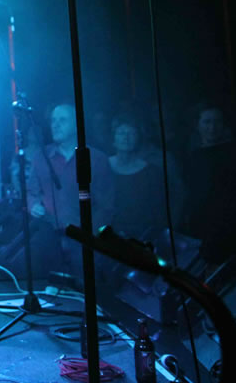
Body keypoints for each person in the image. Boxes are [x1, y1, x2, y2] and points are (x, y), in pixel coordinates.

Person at [26, 103, 116, 275]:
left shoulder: (96, 159)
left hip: (84, 242)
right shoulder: (41, 157)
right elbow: (31, 191)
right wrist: (33, 205)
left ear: (77, 125)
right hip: (48, 238)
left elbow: (106, 205)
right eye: (53, 120)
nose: (55, 125)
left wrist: (88, 235)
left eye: (62, 120)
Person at [181, 103, 236, 265]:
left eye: (217, 121)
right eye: (207, 122)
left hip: (230, 226)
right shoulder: (194, 157)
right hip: (200, 227)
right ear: (197, 125)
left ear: (223, 124)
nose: (212, 127)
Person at [107, 115, 165, 238]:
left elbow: (157, 209)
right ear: (113, 138)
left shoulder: (152, 172)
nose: (126, 137)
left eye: (131, 133)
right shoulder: (102, 167)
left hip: (142, 234)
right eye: (121, 133)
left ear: (138, 138)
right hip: (107, 232)